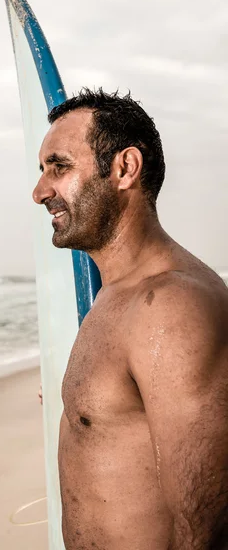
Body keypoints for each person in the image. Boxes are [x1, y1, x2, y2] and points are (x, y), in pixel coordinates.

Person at [32, 89, 228, 550]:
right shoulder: (116, 296)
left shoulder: (167, 306)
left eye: (59, 167)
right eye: (42, 171)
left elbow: (209, 528)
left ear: (124, 168)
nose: (40, 191)